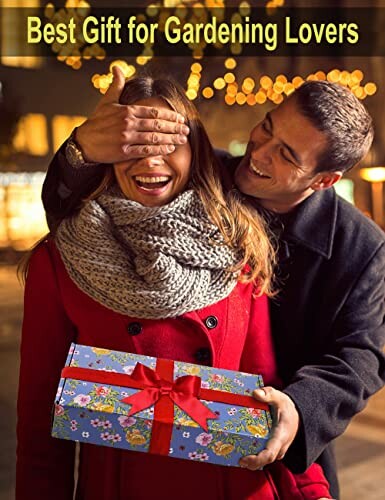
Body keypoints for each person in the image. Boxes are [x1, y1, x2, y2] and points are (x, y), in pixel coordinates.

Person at [41, 67, 385, 499]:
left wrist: (300, 408)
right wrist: (83, 148)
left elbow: (359, 357)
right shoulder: (205, 170)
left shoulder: (362, 246)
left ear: (323, 181)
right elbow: (79, 212)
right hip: (140, 448)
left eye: (286, 155)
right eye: (268, 126)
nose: (258, 153)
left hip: (274, 447)